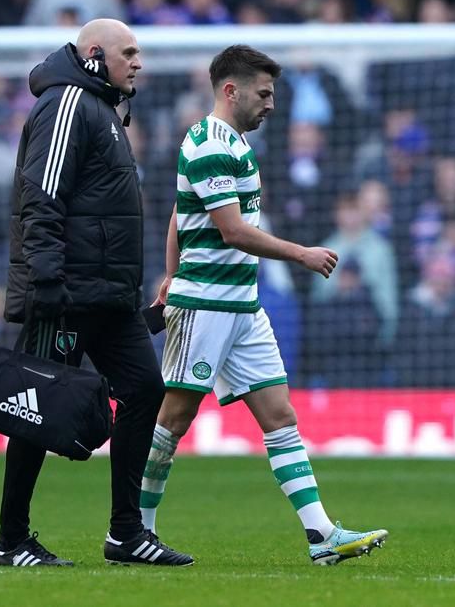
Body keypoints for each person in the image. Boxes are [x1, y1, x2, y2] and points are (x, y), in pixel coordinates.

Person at [140, 45, 388, 565]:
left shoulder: (234, 144)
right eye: (265, 93)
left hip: (242, 307)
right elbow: (230, 230)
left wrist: (169, 271)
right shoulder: (210, 142)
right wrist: (300, 253)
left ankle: (321, 535)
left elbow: (179, 214)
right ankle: (137, 528)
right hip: (206, 306)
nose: (272, 103)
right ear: (232, 90)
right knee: (174, 418)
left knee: (279, 414)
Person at [0, 18, 191, 567]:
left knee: (144, 389)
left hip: (109, 296)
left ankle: (125, 534)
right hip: (68, 293)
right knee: (37, 410)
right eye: (129, 52)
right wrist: (49, 280)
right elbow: (41, 196)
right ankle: (10, 539)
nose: (138, 62)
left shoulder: (102, 109)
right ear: (94, 54)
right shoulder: (66, 104)